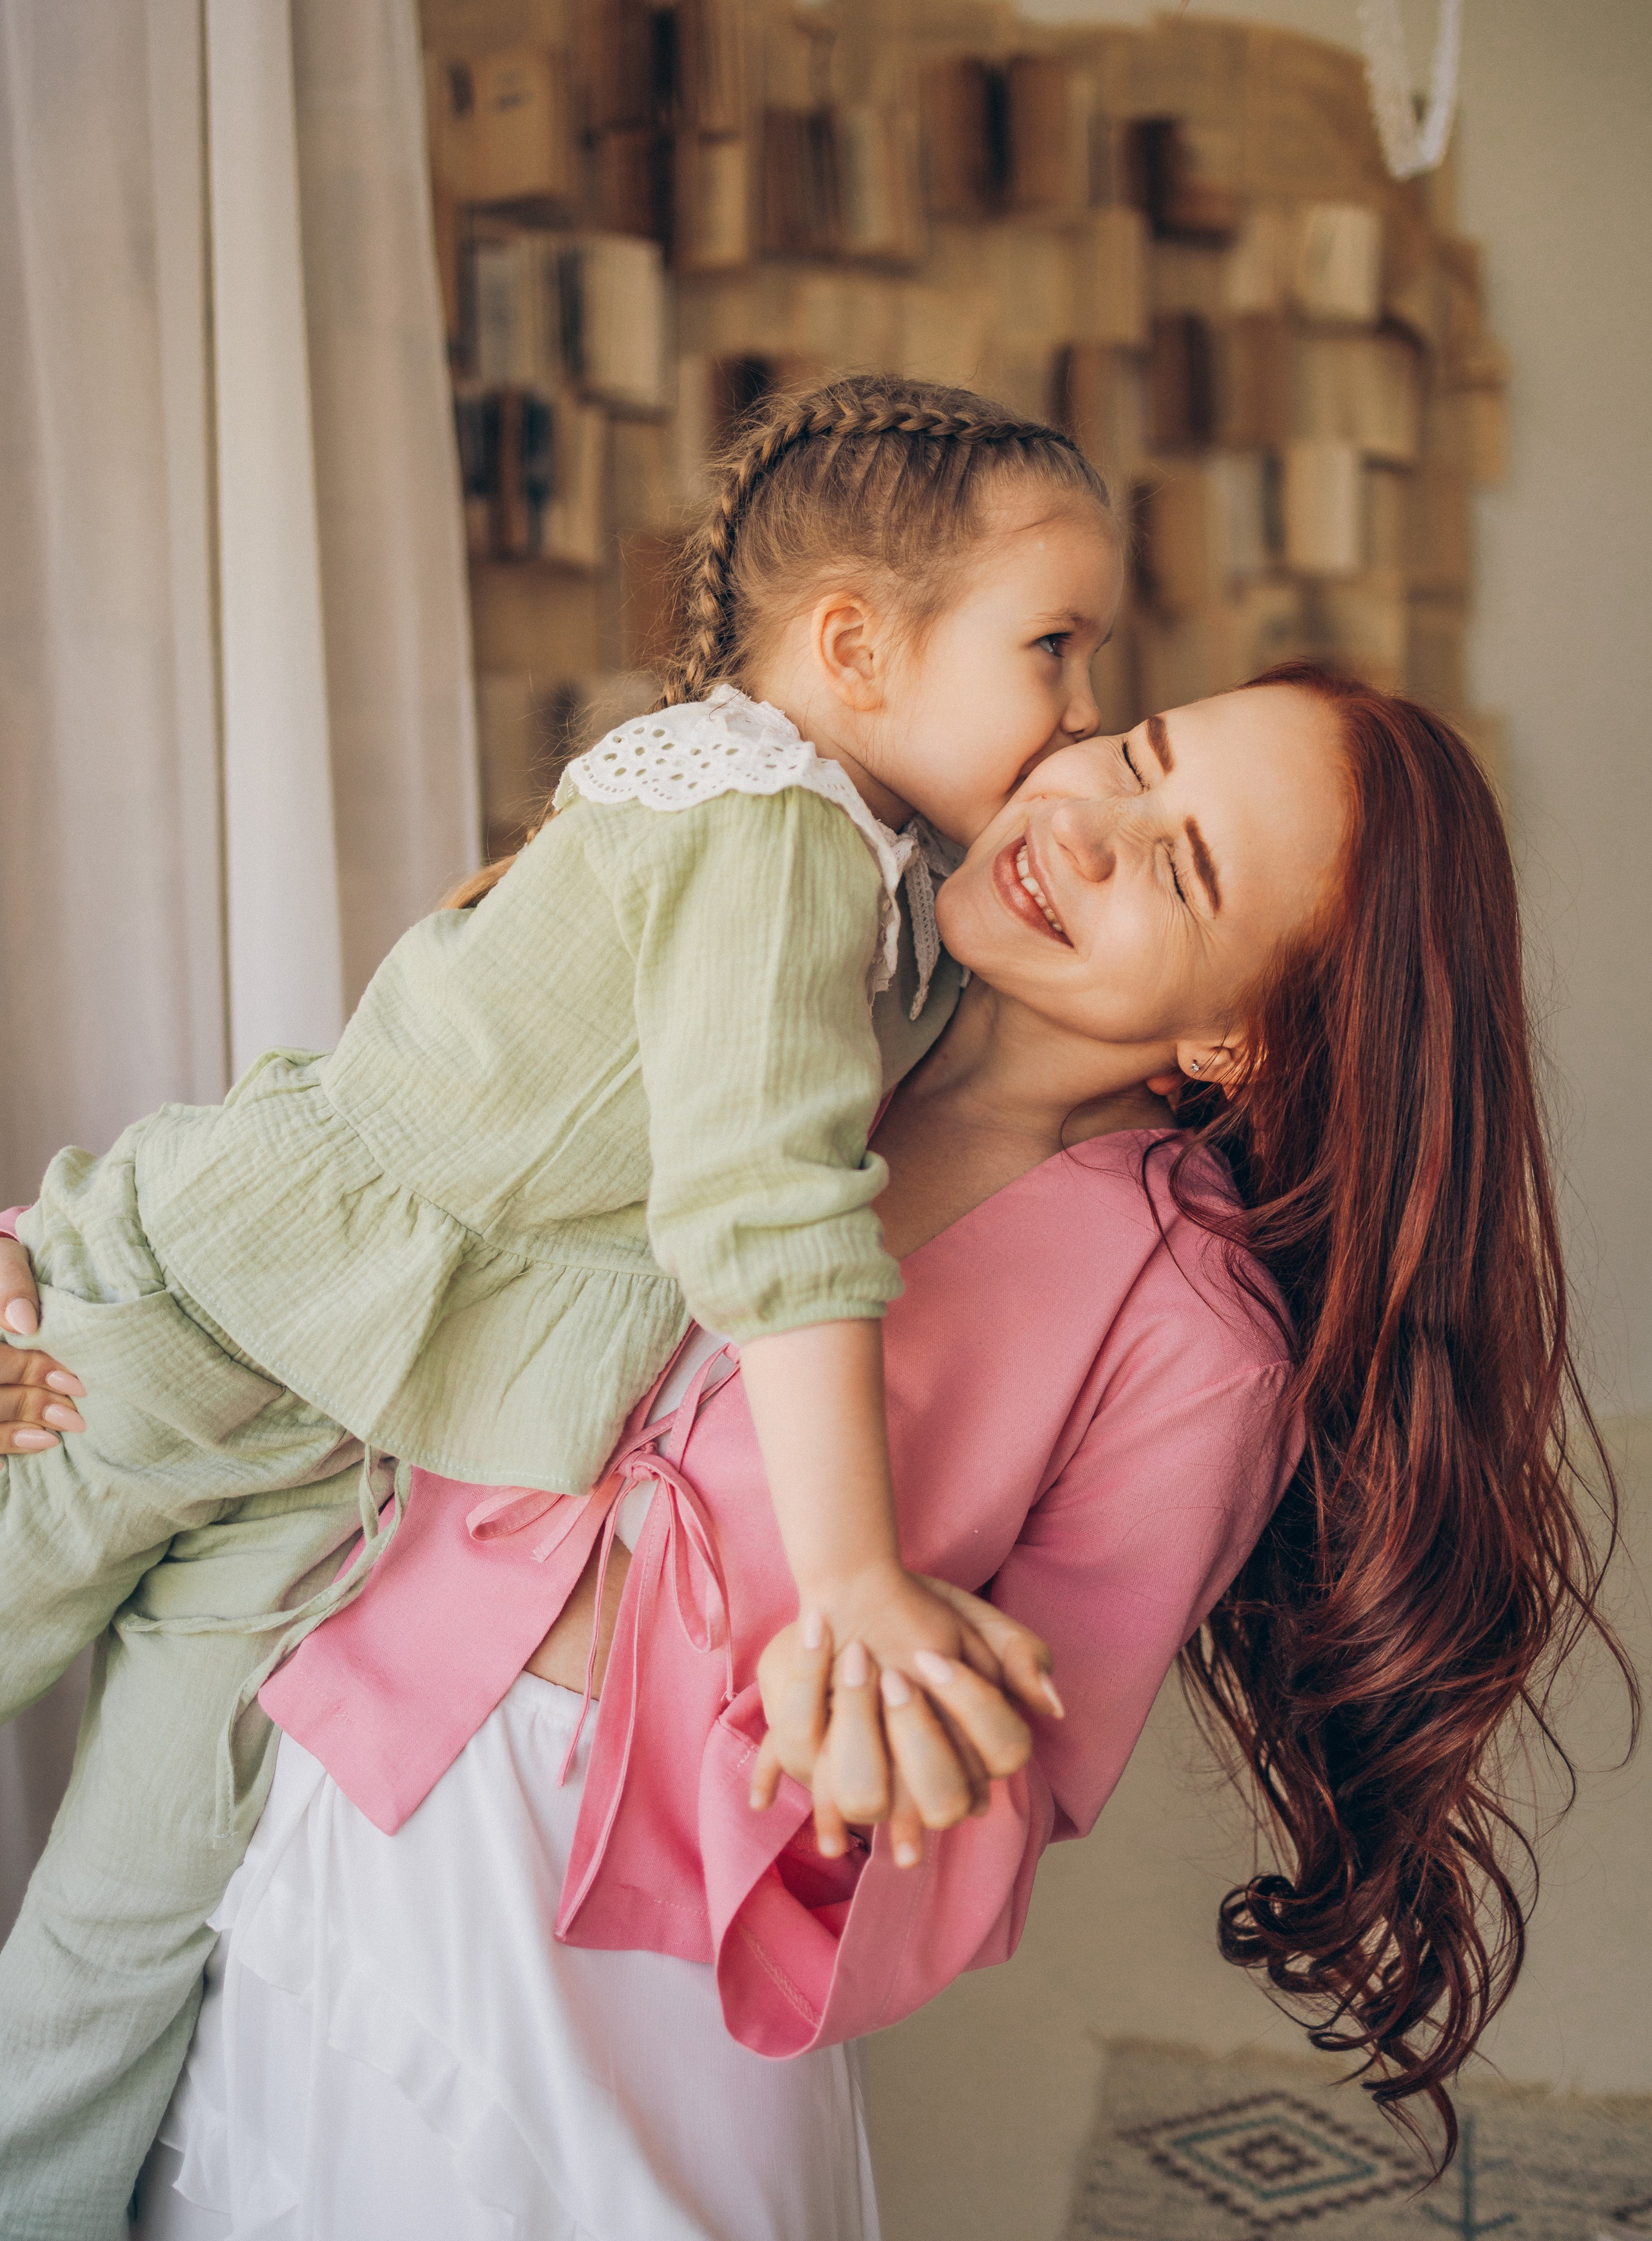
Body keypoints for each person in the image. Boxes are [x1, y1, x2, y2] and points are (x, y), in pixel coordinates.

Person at [3, 673, 1624, 2238]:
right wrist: (46, 1261)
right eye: (1133, 754)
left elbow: (1021, 1770)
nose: (1090, 824)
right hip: (346, 1764)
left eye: (1182, 869)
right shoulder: (790, 953)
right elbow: (377, 1159)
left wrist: (861, 1761)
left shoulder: (1195, 1340)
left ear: (1235, 1042)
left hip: (627, 1937)